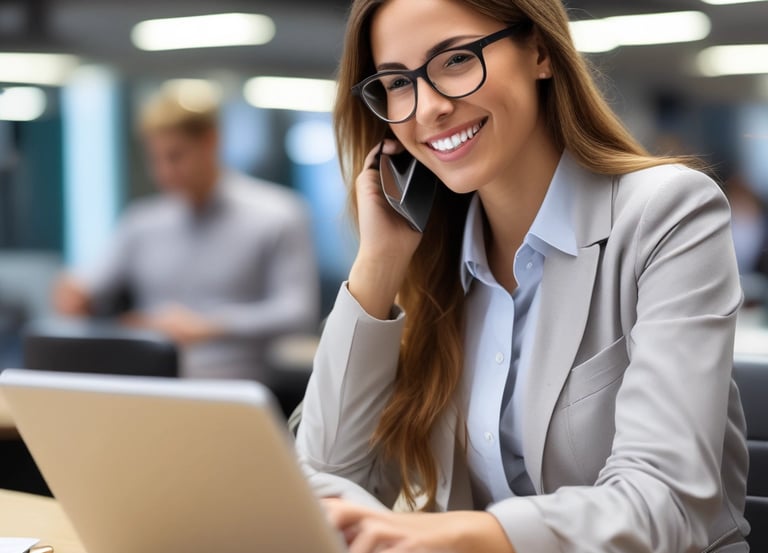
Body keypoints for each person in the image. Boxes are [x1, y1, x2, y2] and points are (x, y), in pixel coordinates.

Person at [295, 0, 749, 551]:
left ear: (539, 51)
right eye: (397, 82)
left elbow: (667, 501)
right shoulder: (434, 271)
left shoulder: (666, 213)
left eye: (456, 60)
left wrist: (466, 534)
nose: (428, 108)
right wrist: (378, 264)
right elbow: (322, 484)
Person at [53, 84, 320, 381]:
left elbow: (298, 312)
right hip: (148, 382)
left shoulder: (278, 214)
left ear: (210, 142)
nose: (165, 172)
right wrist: (76, 293)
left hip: (234, 384)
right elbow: (91, 285)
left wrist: (209, 326)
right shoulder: (142, 222)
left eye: (175, 156)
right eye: (155, 159)